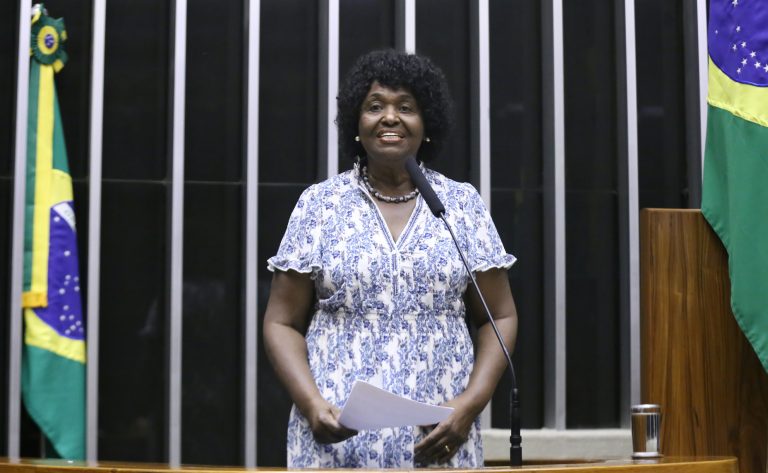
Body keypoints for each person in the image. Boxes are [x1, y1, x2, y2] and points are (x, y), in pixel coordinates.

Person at [263, 49, 518, 468]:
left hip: (438, 445)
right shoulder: (319, 205)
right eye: (375, 106)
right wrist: (311, 404)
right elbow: (281, 322)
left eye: (406, 107)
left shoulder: (460, 205)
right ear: (356, 124)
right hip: (337, 448)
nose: (390, 118)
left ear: (427, 124)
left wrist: (470, 405)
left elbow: (499, 317)